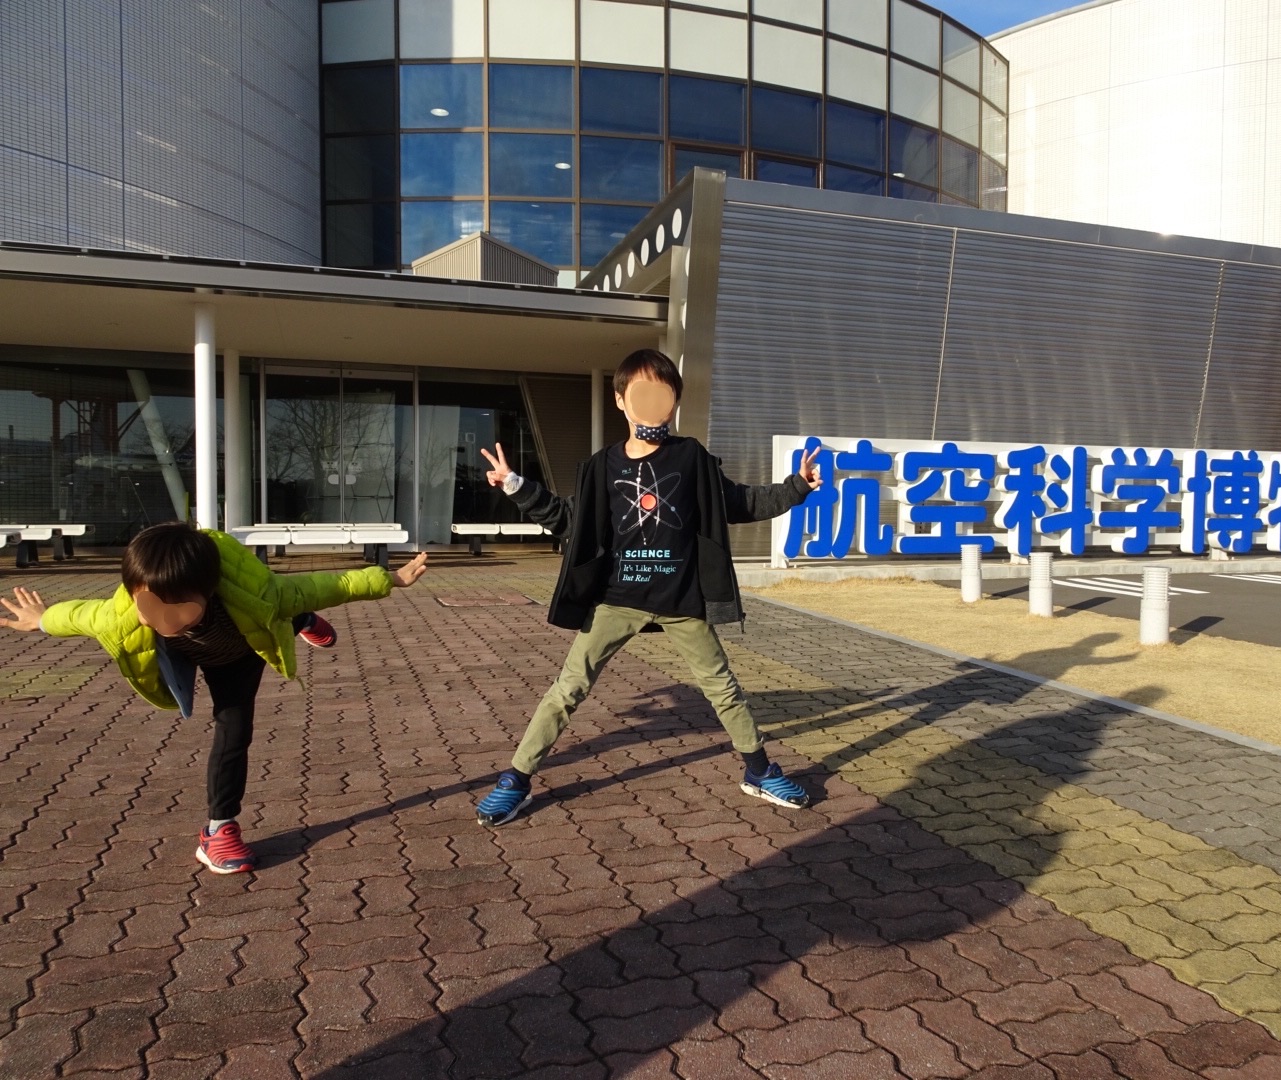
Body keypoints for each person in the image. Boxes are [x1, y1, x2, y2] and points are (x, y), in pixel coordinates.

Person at [472, 348, 823, 826]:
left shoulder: (692, 458)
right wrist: (516, 485)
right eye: (642, 393)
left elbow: (740, 502)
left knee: (723, 688)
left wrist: (796, 487)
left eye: (664, 393)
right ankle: (516, 780)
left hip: (682, 602)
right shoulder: (601, 466)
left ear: (674, 401)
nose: (654, 404)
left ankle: (759, 771)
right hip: (616, 602)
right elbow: (567, 519)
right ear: (621, 400)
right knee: (567, 689)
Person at [0, 523, 428, 874]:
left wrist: (390, 578)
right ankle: (299, 620)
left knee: (236, 726)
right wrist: (42, 619)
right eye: (151, 606)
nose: (165, 618)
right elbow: (80, 615)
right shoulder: (122, 614)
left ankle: (219, 829)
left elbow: (326, 583)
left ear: (210, 590)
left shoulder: (259, 592)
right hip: (193, 655)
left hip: (240, 653)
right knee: (280, 611)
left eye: (181, 607)